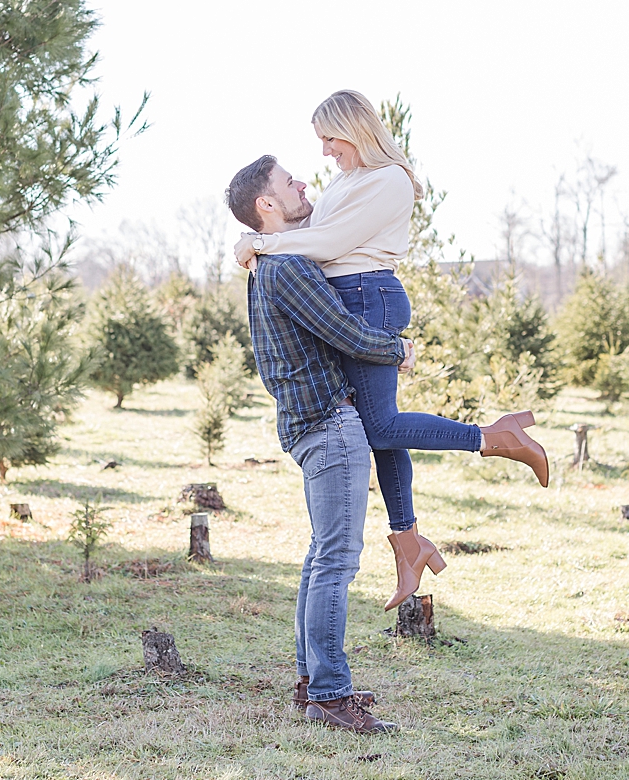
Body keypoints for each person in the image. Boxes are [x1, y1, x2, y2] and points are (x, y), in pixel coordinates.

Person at [233, 90, 548, 610]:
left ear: (352, 130)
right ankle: (408, 543)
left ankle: (495, 439)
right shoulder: (347, 181)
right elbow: (313, 232)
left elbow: (331, 245)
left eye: (329, 139)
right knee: (378, 426)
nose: (326, 151)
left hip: (368, 299)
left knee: (379, 425)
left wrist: (261, 244)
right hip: (352, 297)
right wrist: (262, 238)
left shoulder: (389, 181)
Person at [225, 155, 411, 734]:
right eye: (289, 183)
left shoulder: (269, 264)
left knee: (319, 557)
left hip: (314, 426)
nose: (304, 183)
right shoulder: (288, 269)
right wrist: (395, 349)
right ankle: (330, 697)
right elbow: (346, 334)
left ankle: (312, 681)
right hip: (330, 424)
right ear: (267, 205)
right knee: (336, 560)